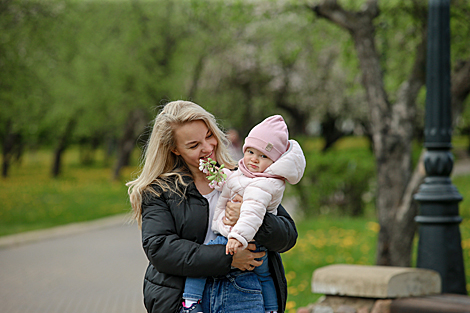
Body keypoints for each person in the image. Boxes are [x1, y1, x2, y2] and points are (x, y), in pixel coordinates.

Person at [126, 100, 298, 313]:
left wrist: (253, 220)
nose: (208, 148)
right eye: (193, 145)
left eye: (209, 136)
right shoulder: (159, 190)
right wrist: (229, 259)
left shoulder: (241, 176)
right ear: (174, 149)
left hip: (244, 292)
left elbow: (288, 235)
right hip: (183, 297)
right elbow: (160, 249)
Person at [182, 115, 306, 313]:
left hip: (239, 239)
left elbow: (252, 214)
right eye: (250, 152)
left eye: (263, 156)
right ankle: (272, 309)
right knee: (265, 276)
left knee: (204, 259)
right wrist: (217, 175)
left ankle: (190, 302)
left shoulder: (263, 184)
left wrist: (237, 237)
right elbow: (233, 180)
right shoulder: (251, 174)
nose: (254, 159)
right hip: (254, 245)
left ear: (274, 161)